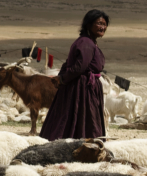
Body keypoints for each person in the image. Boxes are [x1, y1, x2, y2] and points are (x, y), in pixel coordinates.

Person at [40, 9, 109, 141]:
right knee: (84, 119)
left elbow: (69, 63)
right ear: (88, 24)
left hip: (82, 86)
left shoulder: (88, 42)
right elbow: (79, 67)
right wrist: (62, 78)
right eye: (99, 23)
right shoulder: (86, 43)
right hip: (82, 88)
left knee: (75, 118)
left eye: (105, 24)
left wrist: (61, 78)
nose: (103, 27)